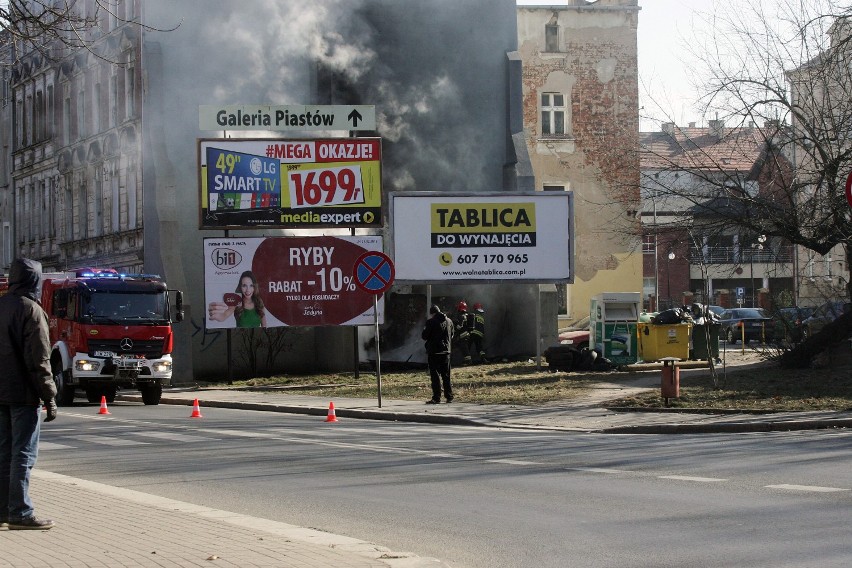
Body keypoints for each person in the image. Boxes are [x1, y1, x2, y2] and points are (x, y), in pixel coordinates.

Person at [0, 258, 57, 530]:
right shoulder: (31, 311)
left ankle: (3, 510)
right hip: (23, 394)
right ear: (34, 280)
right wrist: (49, 395)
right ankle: (20, 512)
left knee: (4, 453)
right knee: (23, 454)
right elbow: (40, 360)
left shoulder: (1, 305)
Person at [422, 304, 454, 404]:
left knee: (435, 376)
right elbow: (452, 335)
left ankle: (436, 397)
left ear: (432, 314)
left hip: (434, 352)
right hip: (446, 352)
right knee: (446, 375)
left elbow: (424, 336)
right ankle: (449, 396)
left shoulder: (430, 322)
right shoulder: (449, 321)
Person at [452, 300, 472, 365]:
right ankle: (466, 360)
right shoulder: (466, 315)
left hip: (463, 334)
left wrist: (455, 323)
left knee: (464, 348)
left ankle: (468, 361)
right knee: (462, 347)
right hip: (466, 334)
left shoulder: (461, 316)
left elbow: (459, 327)